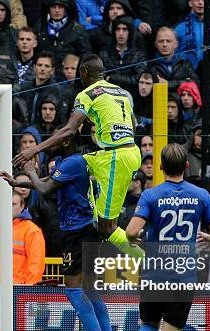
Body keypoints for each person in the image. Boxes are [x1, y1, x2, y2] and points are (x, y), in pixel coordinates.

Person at [0, 136, 125, 331]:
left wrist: (29, 170)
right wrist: (18, 181)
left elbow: (46, 188)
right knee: (89, 288)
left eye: (57, 138)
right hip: (88, 227)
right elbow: (49, 181)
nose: (50, 142)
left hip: (77, 230)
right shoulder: (74, 163)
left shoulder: (72, 161)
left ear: (67, 141)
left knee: (73, 289)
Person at [14, 53, 141, 261]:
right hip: (117, 152)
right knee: (76, 165)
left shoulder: (87, 94)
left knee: (107, 227)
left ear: (83, 72)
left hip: (116, 157)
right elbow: (133, 124)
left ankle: (146, 260)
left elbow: (68, 130)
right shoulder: (120, 92)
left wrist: (34, 150)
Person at [125, 143, 210, 331]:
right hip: (183, 274)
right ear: (187, 166)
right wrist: (208, 237)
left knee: (148, 324)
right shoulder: (201, 195)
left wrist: (139, 239)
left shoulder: (151, 195)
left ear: (160, 167)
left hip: (155, 271)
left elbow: (131, 232)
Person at [0, 191, 46, 284]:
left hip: (19, 289)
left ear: (22, 207)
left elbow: (36, 265)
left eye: (13, 204)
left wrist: (29, 292)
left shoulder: (32, 230)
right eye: (7, 204)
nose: (9, 207)